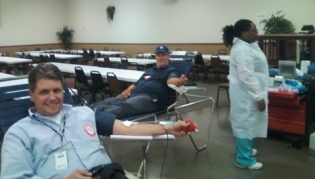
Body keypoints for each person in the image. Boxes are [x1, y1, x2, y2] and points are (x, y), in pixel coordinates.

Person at [0, 63, 196, 179]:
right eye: (44, 92)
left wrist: (170, 128)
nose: (52, 97)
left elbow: (127, 127)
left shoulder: (84, 113)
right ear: (31, 95)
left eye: (57, 90)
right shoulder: (19, 134)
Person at [91, 45, 188, 119]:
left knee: (125, 107)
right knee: (112, 100)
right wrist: (128, 90)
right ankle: (86, 111)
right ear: (156, 57)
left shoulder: (171, 71)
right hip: (134, 94)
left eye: (163, 55)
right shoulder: (149, 71)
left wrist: (179, 82)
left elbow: (171, 81)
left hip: (151, 99)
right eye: (159, 55)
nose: (161, 57)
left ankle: (95, 117)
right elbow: (136, 83)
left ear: (168, 57)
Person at [222, 19, 269, 170]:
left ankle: (246, 150)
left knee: (250, 122)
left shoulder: (249, 46)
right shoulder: (242, 50)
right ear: (243, 33)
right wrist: (258, 97)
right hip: (246, 94)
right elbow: (247, 76)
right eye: (254, 30)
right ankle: (243, 159)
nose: (257, 32)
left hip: (249, 92)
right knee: (244, 124)